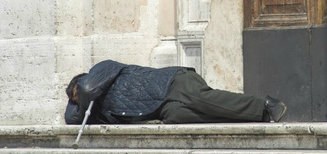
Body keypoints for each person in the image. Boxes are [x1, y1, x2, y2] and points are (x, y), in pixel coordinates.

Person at [65, 60, 287, 124]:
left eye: (78, 95)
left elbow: (86, 88)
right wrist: (76, 104)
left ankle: (265, 105)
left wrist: (81, 96)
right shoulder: (98, 111)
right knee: (178, 116)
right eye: (78, 101)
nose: (84, 101)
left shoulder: (100, 70)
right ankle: (252, 117)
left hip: (172, 82)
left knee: (203, 100)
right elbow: (71, 118)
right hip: (163, 108)